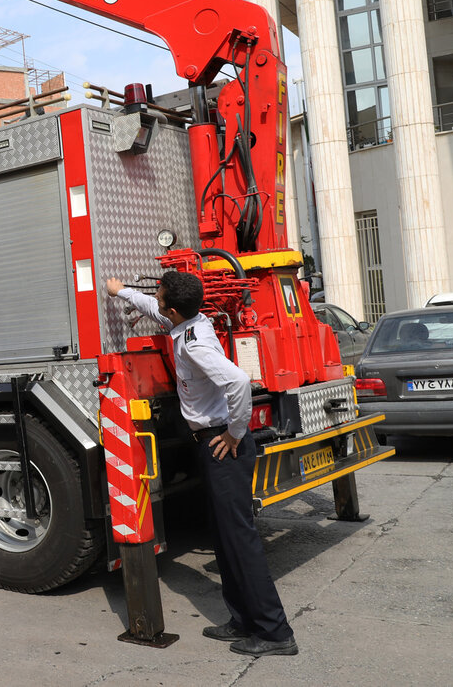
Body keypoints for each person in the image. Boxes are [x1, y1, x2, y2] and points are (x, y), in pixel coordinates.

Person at [107, 270, 298, 657]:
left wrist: (234, 434)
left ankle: (275, 633)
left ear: (173, 310)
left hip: (221, 444)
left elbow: (239, 383)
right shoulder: (190, 322)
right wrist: (121, 292)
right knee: (224, 539)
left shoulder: (195, 346)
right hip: (211, 443)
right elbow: (152, 307)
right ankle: (242, 620)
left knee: (240, 541)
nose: (155, 301)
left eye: (159, 298)